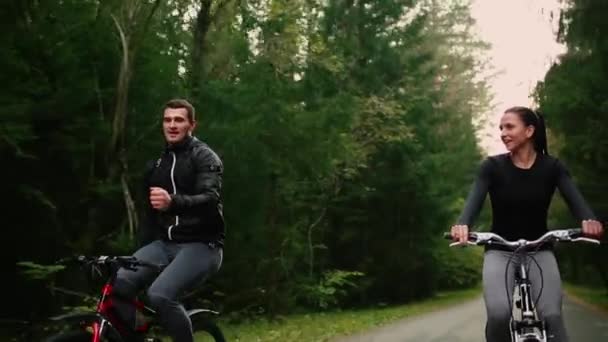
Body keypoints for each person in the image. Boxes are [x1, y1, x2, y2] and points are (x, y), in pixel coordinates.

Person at [450, 106, 603, 342]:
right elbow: (474, 201)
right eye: (501, 128)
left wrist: (588, 220)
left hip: (539, 250)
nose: (503, 132)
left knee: (552, 315)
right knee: (500, 315)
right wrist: (463, 224)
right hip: (499, 251)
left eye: (509, 126)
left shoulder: (552, 167)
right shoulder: (492, 167)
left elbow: (576, 201)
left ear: (530, 130)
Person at [112, 98, 225, 342]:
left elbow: (209, 199)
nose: (172, 125)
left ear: (192, 125)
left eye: (179, 120)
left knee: (160, 295)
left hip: (202, 245)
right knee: (119, 283)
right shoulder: (157, 165)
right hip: (164, 244)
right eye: (167, 120)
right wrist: (136, 255)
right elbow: (150, 217)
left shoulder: (205, 157)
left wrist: (172, 201)